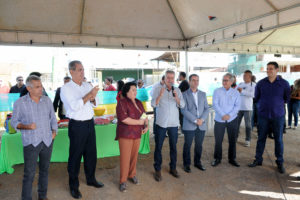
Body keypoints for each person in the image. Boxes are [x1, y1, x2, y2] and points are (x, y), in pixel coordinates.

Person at [61, 61, 104, 199]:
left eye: (83, 69)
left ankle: (91, 179)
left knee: (91, 153)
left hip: (89, 124)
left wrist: (92, 97)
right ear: (71, 71)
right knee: (75, 156)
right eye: (79, 69)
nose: (82, 72)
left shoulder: (87, 85)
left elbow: (97, 102)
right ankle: (74, 186)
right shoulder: (66, 89)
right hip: (77, 125)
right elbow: (74, 106)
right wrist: (89, 96)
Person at [11, 75, 58, 200]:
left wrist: (54, 133)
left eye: (41, 85)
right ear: (29, 88)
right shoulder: (20, 103)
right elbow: (13, 122)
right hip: (31, 143)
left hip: (47, 141)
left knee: (44, 171)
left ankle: (42, 196)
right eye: (37, 87)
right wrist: (27, 126)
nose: (41, 89)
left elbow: (53, 118)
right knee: (29, 174)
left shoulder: (47, 100)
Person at [248, 61, 290, 174]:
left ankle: (280, 162)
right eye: (267, 68)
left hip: (278, 116)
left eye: (271, 68)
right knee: (261, 138)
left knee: (279, 140)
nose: (269, 71)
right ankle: (258, 159)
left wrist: (276, 105)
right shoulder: (261, 83)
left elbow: (287, 99)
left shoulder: (284, 84)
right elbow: (257, 97)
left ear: (277, 70)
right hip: (263, 116)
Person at [151, 70, 185, 181]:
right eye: (168, 78)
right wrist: (160, 95)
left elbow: (183, 105)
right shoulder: (157, 89)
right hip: (161, 123)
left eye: (172, 78)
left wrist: (177, 98)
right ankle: (157, 170)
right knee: (158, 147)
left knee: (173, 147)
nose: (170, 80)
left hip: (174, 123)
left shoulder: (178, 90)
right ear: (164, 78)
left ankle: (173, 168)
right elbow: (153, 104)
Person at [116, 82, 148, 192]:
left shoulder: (139, 102)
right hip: (125, 134)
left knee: (134, 157)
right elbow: (124, 119)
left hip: (137, 134)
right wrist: (140, 123)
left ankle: (132, 175)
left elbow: (144, 115)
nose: (135, 91)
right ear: (126, 92)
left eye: (135, 89)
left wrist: (146, 125)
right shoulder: (122, 103)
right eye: (133, 90)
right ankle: (123, 181)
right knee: (125, 158)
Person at [181, 74, 209, 173]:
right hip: (189, 124)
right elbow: (184, 110)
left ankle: (197, 162)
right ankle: (186, 164)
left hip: (201, 124)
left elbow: (206, 108)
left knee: (199, 145)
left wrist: (202, 119)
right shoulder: (183, 94)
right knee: (187, 145)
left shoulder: (203, 94)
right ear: (189, 82)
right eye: (193, 80)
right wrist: (195, 120)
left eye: (197, 80)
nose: (195, 82)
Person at [212, 73, 241, 167]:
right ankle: (217, 158)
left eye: (226, 80)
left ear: (232, 82)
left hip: (232, 119)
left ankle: (232, 159)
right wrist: (223, 115)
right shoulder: (217, 91)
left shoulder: (236, 92)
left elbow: (237, 106)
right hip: (219, 119)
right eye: (223, 80)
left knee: (232, 140)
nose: (224, 82)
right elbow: (215, 104)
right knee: (218, 140)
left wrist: (229, 115)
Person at [236, 70, 256, 147]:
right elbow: (235, 93)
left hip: (247, 108)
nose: (244, 77)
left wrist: (242, 91)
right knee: (236, 124)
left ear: (250, 76)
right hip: (239, 108)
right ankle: (235, 137)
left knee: (248, 125)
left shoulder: (253, 85)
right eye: (243, 75)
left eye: (246, 75)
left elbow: (253, 95)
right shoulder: (240, 84)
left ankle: (248, 140)